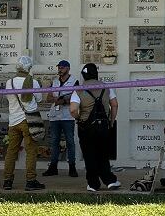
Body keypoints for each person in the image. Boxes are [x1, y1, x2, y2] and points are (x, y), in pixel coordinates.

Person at [70, 63, 120, 192]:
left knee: (89, 155)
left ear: (84, 76)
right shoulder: (106, 87)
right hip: (103, 126)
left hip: (86, 127)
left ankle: (93, 184)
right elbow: (114, 105)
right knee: (103, 154)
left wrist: (78, 118)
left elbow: (73, 110)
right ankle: (110, 181)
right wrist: (111, 121)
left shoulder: (78, 89)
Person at [3, 55, 45, 191]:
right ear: (29, 68)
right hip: (29, 121)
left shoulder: (9, 82)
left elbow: (9, 99)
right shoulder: (33, 82)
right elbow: (39, 99)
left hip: (13, 121)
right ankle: (31, 181)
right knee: (31, 151)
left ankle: (7, 181)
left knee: (11, 152)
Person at [42, 60, 79, 177]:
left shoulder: (74, 81)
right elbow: (48, 98)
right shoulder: (55, 81)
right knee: (54, 142)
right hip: (55, 116)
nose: (60, 70)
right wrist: (56, 100)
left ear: (68, 68)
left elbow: (77, 97)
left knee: (70, 142)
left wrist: (64, 100)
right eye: (59, 67)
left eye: (62, 68)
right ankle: (53, 167)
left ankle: (72, 167)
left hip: (68, 116)